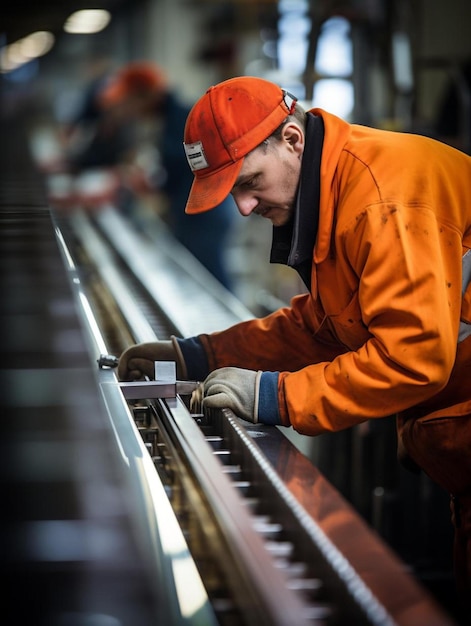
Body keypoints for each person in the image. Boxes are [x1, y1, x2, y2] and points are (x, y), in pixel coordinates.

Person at [117, 76, 471, 612]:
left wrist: (273, 397)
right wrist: (200, 354)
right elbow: (322, 326)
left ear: (292, 140)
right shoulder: (339, 190)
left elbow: (413, 357)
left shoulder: (382, 199)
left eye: (249, 181)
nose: (242, 206)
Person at [98, 61, 235, 291]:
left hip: (206, 213)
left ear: (146, 95)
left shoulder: (181, 120)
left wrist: (152, 184)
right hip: (198, 210)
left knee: (211, 280)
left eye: (130, 102)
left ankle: (232, 326)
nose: (129, 111)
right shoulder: (171, 119)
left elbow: (185, 170)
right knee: (197, 276)